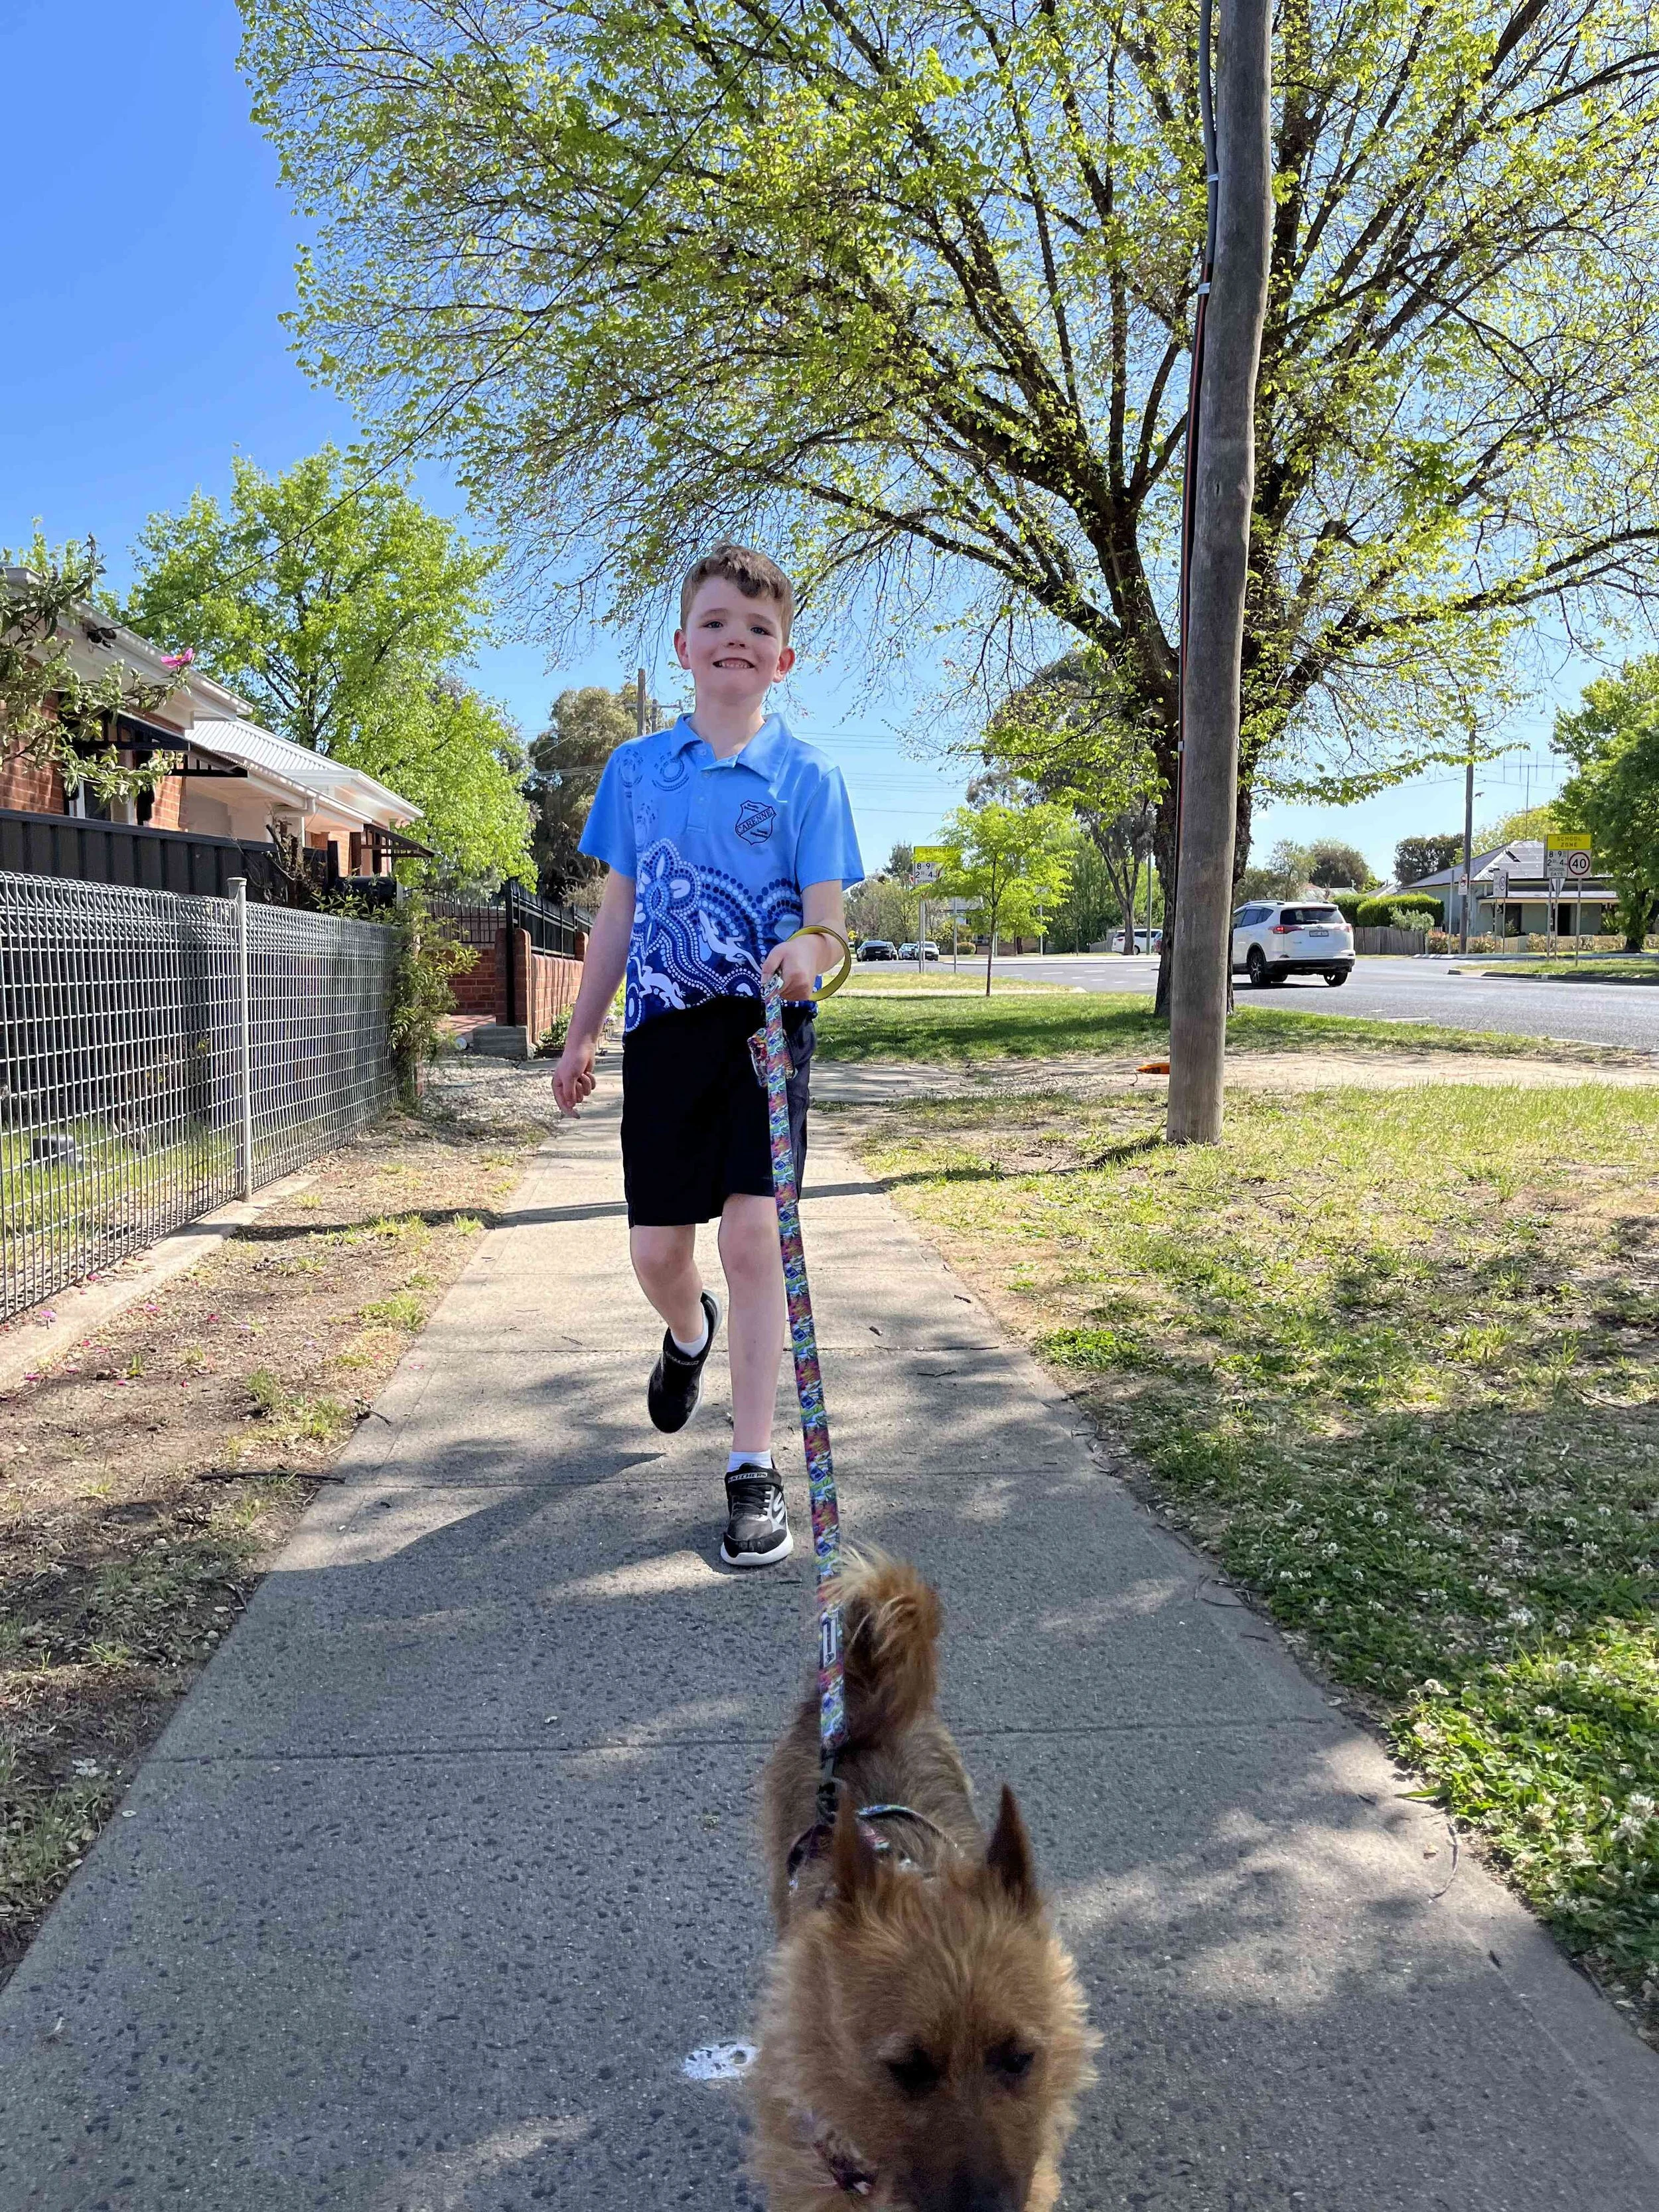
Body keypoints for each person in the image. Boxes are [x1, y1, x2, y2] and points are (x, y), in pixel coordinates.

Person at [551, 544, 862, 1568]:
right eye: (719, 623)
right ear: (684, 645)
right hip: (665, 1034)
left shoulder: (810, 777)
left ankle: (751, 1465)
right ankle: (690, 1335)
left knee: (752, 1239)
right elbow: (616, 915)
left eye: (760, 629)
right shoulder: (637, 771)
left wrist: (810, 958)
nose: (738, 639)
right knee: (659, 1254)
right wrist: (583, 1030)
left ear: (785, 660)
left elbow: (833, 929)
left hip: (767, 1035)